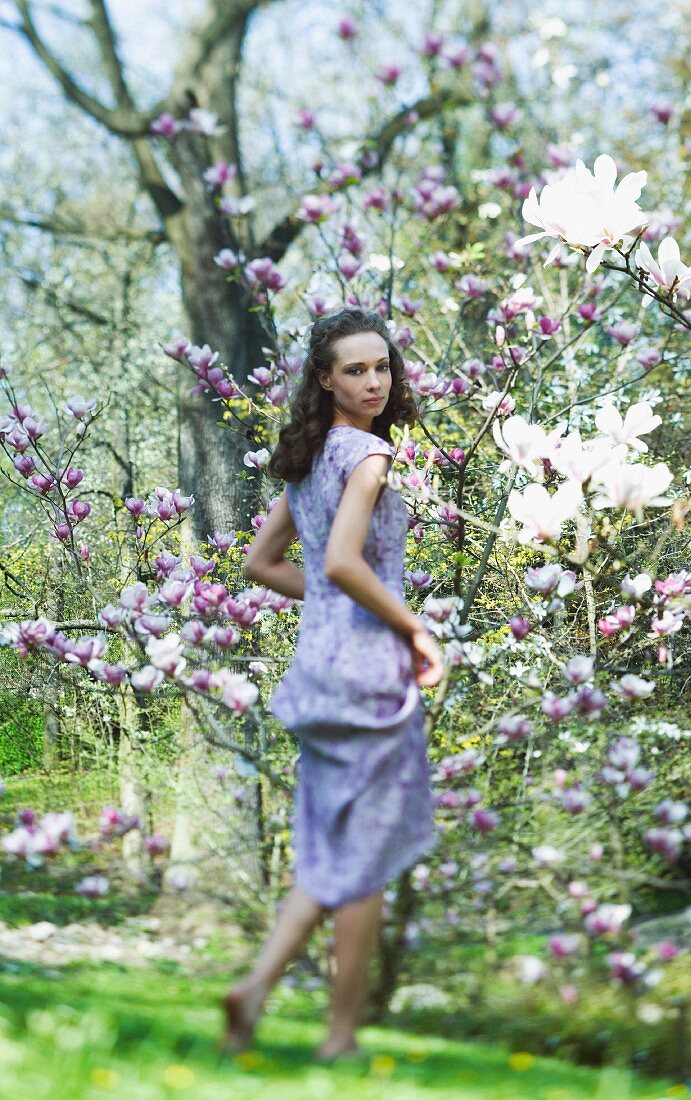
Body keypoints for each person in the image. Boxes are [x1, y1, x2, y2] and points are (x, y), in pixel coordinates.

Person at [221, 307, 444, 1061]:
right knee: (368, 856)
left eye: (382, 366)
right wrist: (414, 627)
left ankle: (253, 989)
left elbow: (264, 564)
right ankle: (341, 1036)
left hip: (316, 670)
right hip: (367, 676)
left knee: (330, 849)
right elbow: (346, 562)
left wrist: (324, 591)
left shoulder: (314, 458)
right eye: (356, 369)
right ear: (326, 378)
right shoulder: (366, 457)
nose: (374, 381)